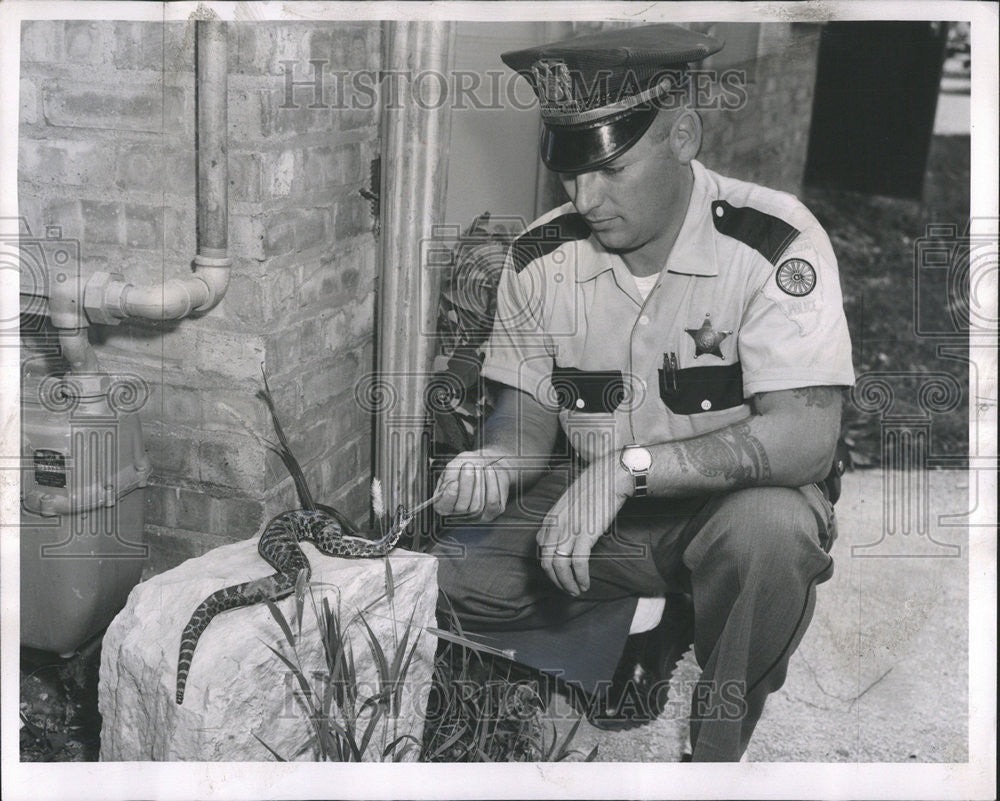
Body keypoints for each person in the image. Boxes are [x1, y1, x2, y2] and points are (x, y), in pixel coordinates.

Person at [431, 23, 855, 762]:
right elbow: (523, 434)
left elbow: (805, 436)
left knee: (769, 536)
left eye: (612, 169)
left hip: (720, 512)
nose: (585, 196)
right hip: (606, 526)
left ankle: (716, 752)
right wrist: (489, 465)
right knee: (448, 576)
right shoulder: (540, 257)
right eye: (570, 170)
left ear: (683, 135)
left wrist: (628, 468)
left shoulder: (774, 243)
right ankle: (640, 628)